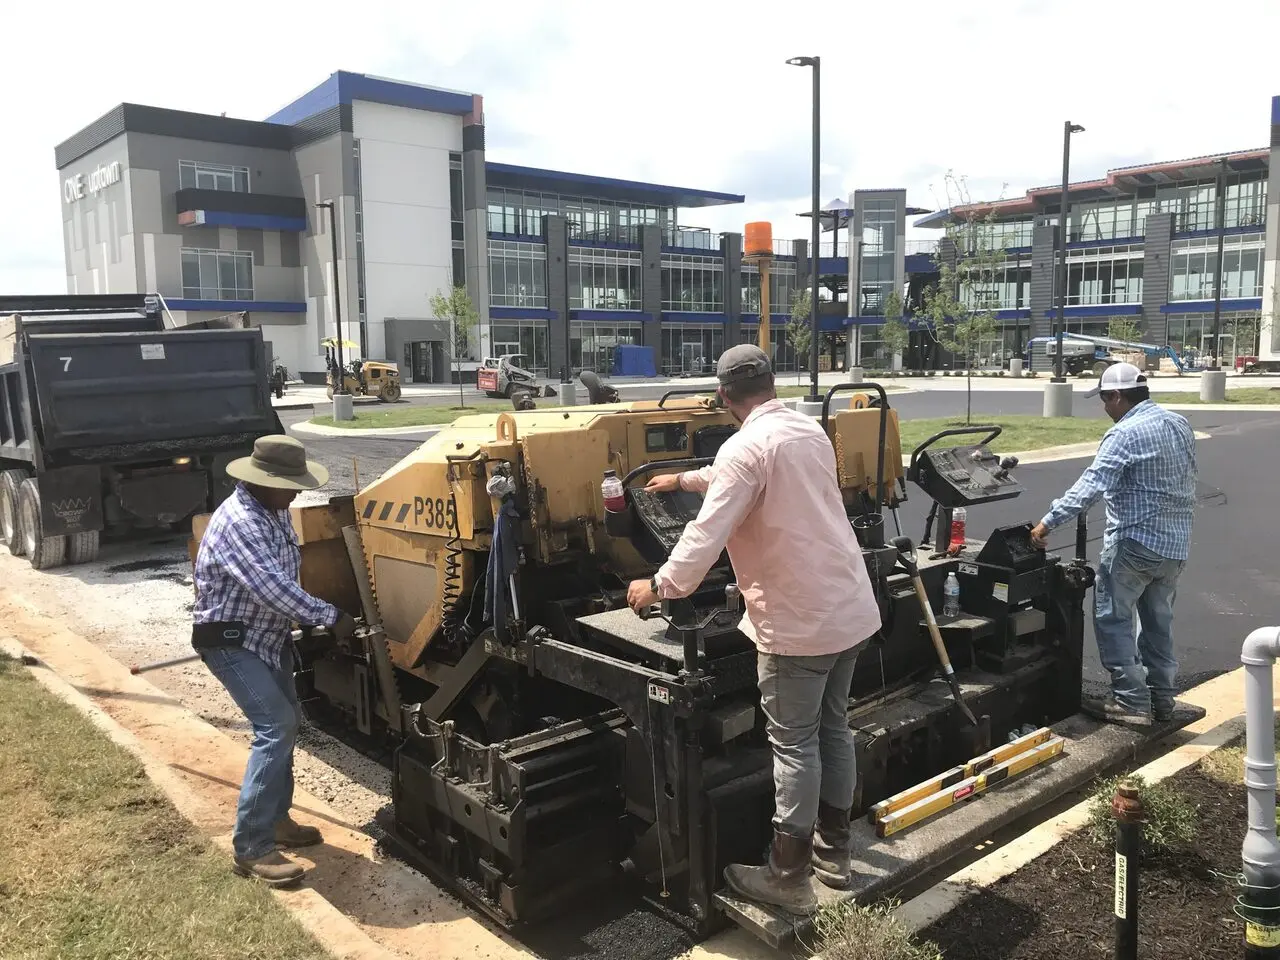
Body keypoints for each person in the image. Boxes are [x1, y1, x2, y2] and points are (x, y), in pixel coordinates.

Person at [626, 344, 881, 915]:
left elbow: (704, 538)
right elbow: (747, 475)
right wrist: (686, 479)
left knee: (794, 745)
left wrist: (658, 586)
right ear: (771, 384)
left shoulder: (745, 448)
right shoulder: (806, 431)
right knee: (833, 728)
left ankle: (787, 877)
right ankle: (833, 854)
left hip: (799, 623)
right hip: (849, 609)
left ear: (723, 398)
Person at [194, 435, 357, 886]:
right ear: (264, 481)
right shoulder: (242, 520)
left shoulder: (274, 510)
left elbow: (285, 576)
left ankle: (278, 820)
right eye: (291, 485)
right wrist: (330, 615)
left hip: (268, 638)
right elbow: (271, 587)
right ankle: (251, 847)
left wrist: (307, 622)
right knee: (276, 726)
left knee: (288, 723)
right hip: (231, 643)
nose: (298, 493)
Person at [1030, 362, 1196, 727]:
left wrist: (1047, 523)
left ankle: (1132, 702)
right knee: (1158, 624)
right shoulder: (1179, 424)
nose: (1105, 408)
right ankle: (1162, 701)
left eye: (1105, 400)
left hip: (1134, 544)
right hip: (1175, 545)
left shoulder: (1125, 434)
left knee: (1113, 619)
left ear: (1117, 396)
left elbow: (1091, 485)